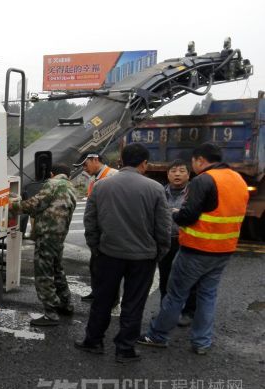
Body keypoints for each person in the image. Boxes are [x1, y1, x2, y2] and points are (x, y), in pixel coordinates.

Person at [138, 143, 249, 355]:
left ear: (199, 160)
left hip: (197, 248)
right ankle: (201, 342)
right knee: (207, 295)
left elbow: (188, 216)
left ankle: (157, 335)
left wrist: (175, 213)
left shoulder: (204, 180)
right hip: (224, 250)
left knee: (175, 295)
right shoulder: (238, 179)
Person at [75, 144, 171, 363]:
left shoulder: (101, 186)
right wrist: (159, 252)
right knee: (133, 303)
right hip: (143, 257)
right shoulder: (155, 188)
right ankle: (125, 348)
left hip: (109, 253)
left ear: (122, 160)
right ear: (144, 163)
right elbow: (163, 227)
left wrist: (96, 248)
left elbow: (90, 221)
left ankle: (93, 341)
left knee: (103, 299)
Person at [14, 163, 77, 326]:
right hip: (59, 235)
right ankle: (66, 304)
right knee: (57, 270)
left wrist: (13, 205)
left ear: (51, 173)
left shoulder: (52, 183)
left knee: (44, 273)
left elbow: (36, 204)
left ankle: (51, 313)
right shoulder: (71, 187)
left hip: (47, 235)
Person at [158, 159, 196, 326]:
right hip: (166, 241)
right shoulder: (160, 192)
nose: (177, 174)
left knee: (188, 278)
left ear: (189, 175)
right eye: (173, 171)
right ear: (168, 175)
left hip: (186, 240)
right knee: (165, 278)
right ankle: (165, 312)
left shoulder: (195, 193)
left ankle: (188, 312)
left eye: (182, 171)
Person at [75, 152, 118, 302]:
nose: (84, 169)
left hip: (108, 230)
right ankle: (97, 292)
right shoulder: (94, 178)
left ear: (95, 160)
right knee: (95, 265)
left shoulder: (113, 176)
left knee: (109, 267)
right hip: (97, 230)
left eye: (85, 165)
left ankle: (111, 299)